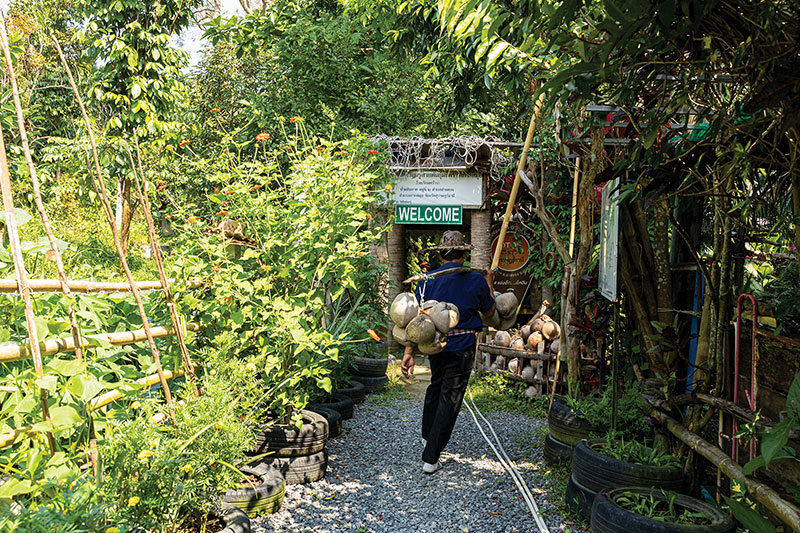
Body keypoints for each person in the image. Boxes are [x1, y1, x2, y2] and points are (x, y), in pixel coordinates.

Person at [400, 230, 495, 474]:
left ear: (441, 254)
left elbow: (417, 320)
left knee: (436, 385)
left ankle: (426, 436)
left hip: (435, 345)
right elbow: (490, 312)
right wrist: (489, 285)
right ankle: (431, 457)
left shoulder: (426, 280)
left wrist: (408, 351)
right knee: (450, 398)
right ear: (463, 255)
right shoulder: (475, 280)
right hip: (462, 346)